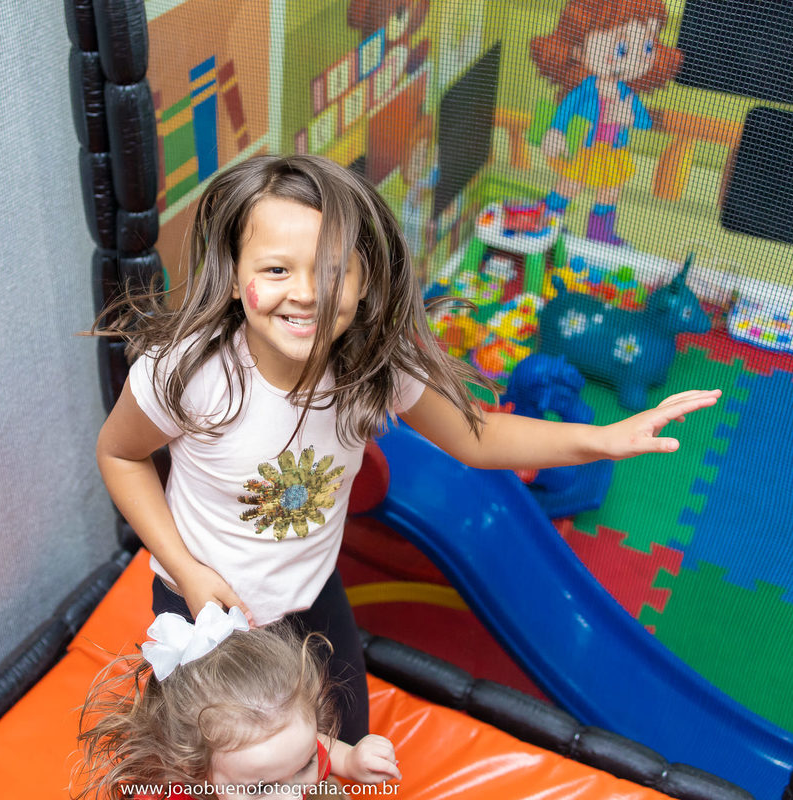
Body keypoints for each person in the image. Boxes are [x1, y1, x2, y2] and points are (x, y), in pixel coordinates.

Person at [92, 153, 719, 743]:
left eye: (334, 270)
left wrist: (601, 439)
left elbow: (481, 437)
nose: (307, 292)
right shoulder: (190, 372)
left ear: (366, 282)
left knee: (349, 742)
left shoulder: (371, 367)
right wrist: (187, 570)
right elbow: (121, 455)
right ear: (234, 279)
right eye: (277, 270)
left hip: (310, 598)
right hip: (208, 608)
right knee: (222, 762)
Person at [75, 604, 401, 799]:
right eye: (261, 788)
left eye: (303, 766)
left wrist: (353, 761)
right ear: (191, 772)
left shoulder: (285, 752)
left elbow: (320, 748)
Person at [530, 0, 683, 245]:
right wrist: (556, 131)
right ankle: (546, 220)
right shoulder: (586, 89)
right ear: (579, 49)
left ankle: (600, 236)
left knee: (610, 192)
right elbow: (566, 109)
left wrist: (630, 117)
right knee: (571, 184)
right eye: (622, 48)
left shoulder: (627, 94)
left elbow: (643, 120)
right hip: (584, 149)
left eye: (647, 46)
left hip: (612, 152)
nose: (637, 59)